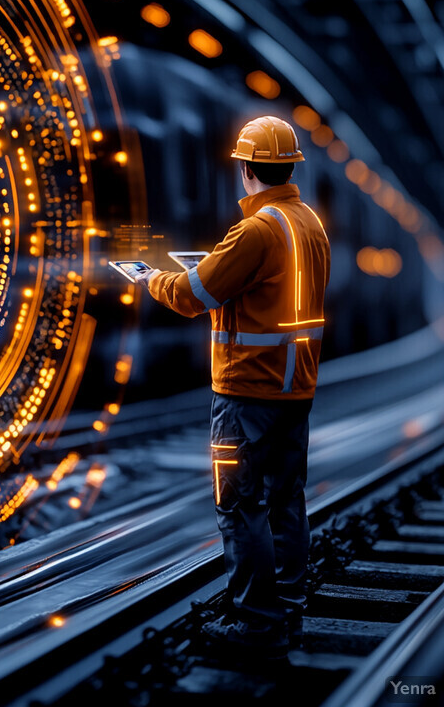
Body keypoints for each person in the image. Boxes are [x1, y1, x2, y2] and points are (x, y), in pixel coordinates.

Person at [135, 115, 330, 658]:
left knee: (240, 505)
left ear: (246, 169)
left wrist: (151, 279)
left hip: (246, 393)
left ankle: (256, 622)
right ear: (290, 166)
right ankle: (287, 607)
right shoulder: (309, 223)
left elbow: (194, 294)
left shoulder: (256, 230)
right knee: (287, 500)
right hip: (295, 390)